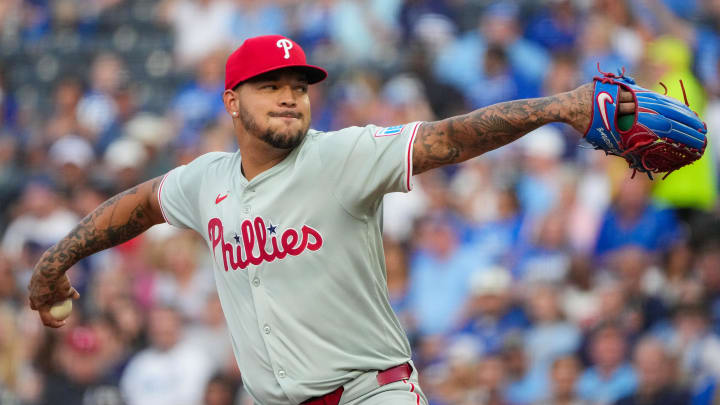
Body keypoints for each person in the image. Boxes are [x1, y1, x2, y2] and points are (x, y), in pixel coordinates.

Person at [27, 35, 634, 405]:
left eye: (299, 85)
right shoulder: (206, 179)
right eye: (271, 86)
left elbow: (448, 138)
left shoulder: (343, 155)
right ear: (232, 102)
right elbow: (139, 204)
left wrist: (558, 107)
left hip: (373, 393)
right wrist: (58, 261)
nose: (291, 96)